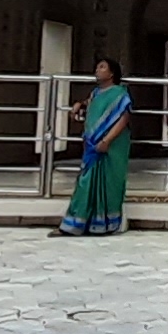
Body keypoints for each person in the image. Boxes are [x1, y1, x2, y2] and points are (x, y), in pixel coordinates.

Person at [56, 59, 131, 237]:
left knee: (108, 182)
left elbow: (123, 118)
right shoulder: (96, 93)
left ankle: (106, 224)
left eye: (102, 67)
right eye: (97, 66)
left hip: (111, 146)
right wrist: (79, 105)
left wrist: (107, 140)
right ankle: (75, 225)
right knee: (86, 181)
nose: (97, 70)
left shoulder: (120, 94)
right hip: (92, 145)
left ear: (112, 73)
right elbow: (90, 105)